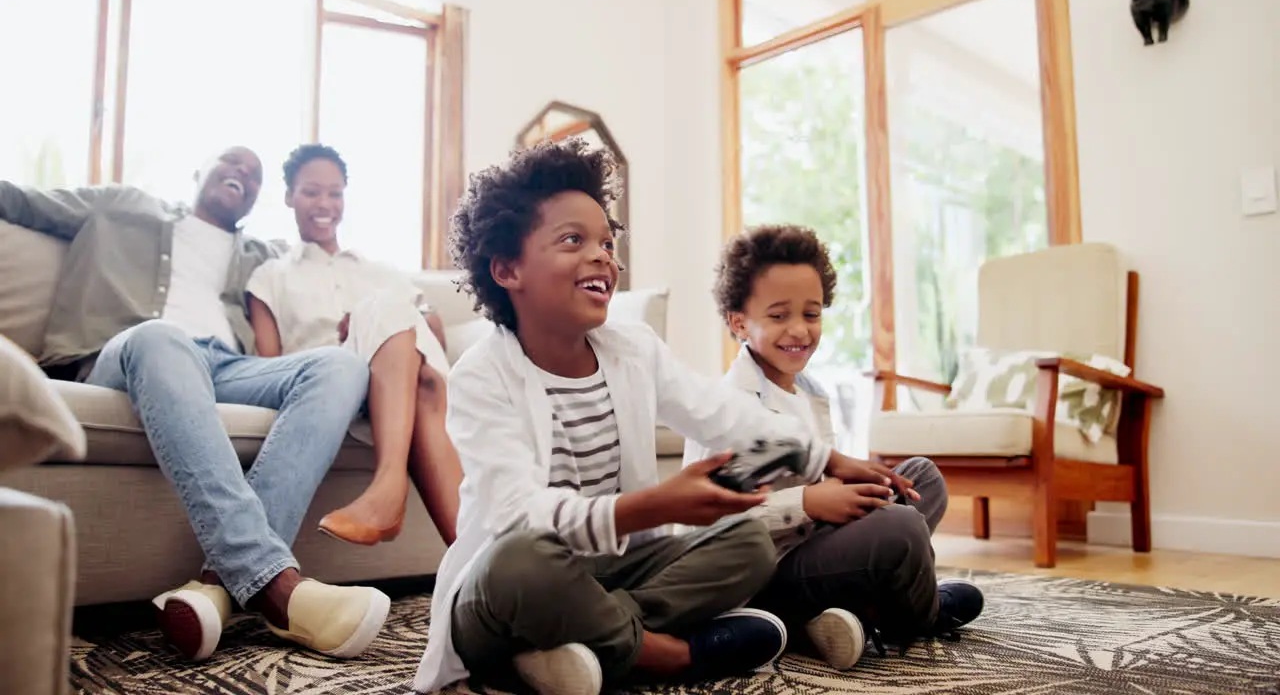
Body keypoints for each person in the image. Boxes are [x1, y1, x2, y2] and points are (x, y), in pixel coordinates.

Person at [411, 139, 832, 695]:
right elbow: (519, 516)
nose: (602, 255)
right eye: (573, 240)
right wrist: (651, 506)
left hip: (613, 571)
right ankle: (668, 655)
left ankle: (570, 646)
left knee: (749, 544)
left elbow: (723, 413)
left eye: (607, 242)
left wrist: (827, 456)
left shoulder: (633, 348)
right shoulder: (481, 375)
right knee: (517, 562)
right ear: (508, 269)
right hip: (508, 590)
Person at [0, 147, 391, 663]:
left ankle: (214, 588)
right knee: (164, 337)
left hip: (223, 367)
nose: (242, 174)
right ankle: (277, 587)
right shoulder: (123, 204)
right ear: (197, 172)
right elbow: (22, 203)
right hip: (129, 353)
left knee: (341, 367)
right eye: (231, 162)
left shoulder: (260, 255)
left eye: (253, 174)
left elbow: (316, 280)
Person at [683, 223, 985, 669]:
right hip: (764, 573)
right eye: (779, 315)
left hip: (811, 546)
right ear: (739, 322)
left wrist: (845, 480)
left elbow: (815, 470)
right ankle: (915, 614)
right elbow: (716, 517)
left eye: (811, 314)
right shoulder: (730, 407)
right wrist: (810, 501)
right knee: (900, 528)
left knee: (922, 478)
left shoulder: (807, 390)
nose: (800, 331)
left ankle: (853, 612)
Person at [244, 144, 462, 546]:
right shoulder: (270, 275)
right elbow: (268, 366)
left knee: (406, 348)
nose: (324, 203)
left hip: (407, 375)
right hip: (331, 385)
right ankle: (394, 488)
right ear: (290, 196)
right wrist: (356, 333)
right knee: (385, 318)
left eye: (335, 193)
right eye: (311, 192)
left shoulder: (379, 272)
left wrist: (371, 324)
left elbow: (433, 331)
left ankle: (394, 495)